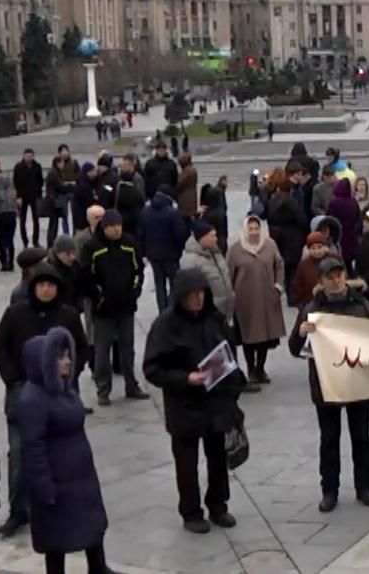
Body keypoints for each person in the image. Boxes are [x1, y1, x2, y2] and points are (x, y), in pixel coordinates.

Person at [0, 263, 88, 540]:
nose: (46, 289)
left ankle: (59, 502)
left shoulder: (67, 315)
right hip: (23, 393)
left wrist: (69, 377)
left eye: (51, 285)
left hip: (60, 394)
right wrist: (13, 379)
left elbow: (81, 347)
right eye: (41, 285)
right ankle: (18, 509)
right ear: (33, 287)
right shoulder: (15, 314)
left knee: (64, 451)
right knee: (20, 453)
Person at [143, 268, 243, 534]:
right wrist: (186, 378)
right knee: (186, 463)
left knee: (218, 458)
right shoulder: (165, 325)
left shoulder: (214, 319)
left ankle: (218, 505)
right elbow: (152, 369)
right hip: (184, 405)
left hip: (216, 402)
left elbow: (230, 351)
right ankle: (191, 512)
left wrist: (233, 383)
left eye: (201, 293)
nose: (197, 299)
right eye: (192, 295)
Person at [16, 327, 113, 574]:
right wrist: (44, 487)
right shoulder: (32, 399)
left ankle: (98, 568)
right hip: (58, 481)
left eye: (67, 355)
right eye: (60, 357)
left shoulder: (63, 389)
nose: (68, 361)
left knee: (92, 526)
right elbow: (32, 448)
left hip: (80, 476)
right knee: (55, 540)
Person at [290, 257, 369, 512]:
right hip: (326, 385)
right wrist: (301, 333)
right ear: (322, 281)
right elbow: (294, 349)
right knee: (329, 439)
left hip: (358, 383)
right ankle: (329, 490)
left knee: (361, 437)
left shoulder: (362, 305)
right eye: (330, 277)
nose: (336, 280)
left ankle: (364, 486)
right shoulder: (311, 310)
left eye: (340, 275)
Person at [85, 211, 148, 406]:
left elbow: (139, 270)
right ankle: (103, 389)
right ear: (105, 228)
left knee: (127, 349)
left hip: (126, 307)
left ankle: (132, 385)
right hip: (103, 310)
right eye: (113, 226)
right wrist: (99, 297)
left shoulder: (130, 244)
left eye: (119, 225)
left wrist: (135, 291)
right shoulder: (92, 248)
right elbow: (87, 277)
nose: (117, 229)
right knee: (102, 350)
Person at [228, 216, 286, 385]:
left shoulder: (269, 245)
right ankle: (251, 368)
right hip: (244, 300)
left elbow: (279, 265)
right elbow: (229, 273)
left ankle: (261, 368)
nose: (254, 232)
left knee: (265, 335)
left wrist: (278, 286)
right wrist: (230, 296)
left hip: (267, 298)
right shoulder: (235, 249)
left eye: (256, 228)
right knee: (248, 336)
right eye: (251, 229)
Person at [140, 187, 188, 314]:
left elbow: (141, 233)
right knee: (174, 284)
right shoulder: (173, 213)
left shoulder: (145, 211)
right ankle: (173, 310)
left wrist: (146, 251)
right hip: (171, 255)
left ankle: (162, 311)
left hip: (153, 255)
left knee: (159, 285)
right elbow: (180, 234)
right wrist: (179, 250)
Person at [179, 221, 235, 329]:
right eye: (212, 236)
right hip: (208, 316)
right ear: (202, 238)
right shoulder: (190, 261)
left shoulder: (216, 252)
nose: (216, 239)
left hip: (224, 312)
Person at [326, 179, 362, 274]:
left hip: (338, 236)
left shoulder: (334, 203)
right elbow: (359, 218)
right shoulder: (353, 202)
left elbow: (328, 218)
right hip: (351, 236)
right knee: (349, 263)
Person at [15, 149, 45, 249]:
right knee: (22, 220)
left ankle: (35, 241)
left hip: (34, 196)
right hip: (22, 197)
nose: (29, 158)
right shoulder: (18, 167)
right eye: (27, 156)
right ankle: (25, 242)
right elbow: (16, 182)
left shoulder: (37, 166)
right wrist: (18, 196)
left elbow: (40, 181)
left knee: (36, 219)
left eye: (31, 156)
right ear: (23, 156)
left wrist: (38, 195)